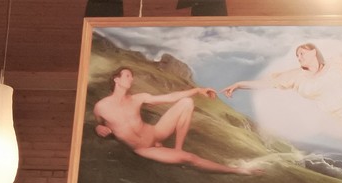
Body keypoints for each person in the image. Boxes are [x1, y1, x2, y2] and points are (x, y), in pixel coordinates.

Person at [92, 67, 260, 174]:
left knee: (186, 102)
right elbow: (98, 124)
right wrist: (98, 129)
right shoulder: (101, 107)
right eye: (128, 76)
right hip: (145, 148)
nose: (132, 79)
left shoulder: (138, 98)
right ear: (117, 80)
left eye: (131, 76)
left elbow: (170, 97)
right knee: (189, 158)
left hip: (155, 132)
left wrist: (197, 90)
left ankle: (177, 149)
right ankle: (239, 171)